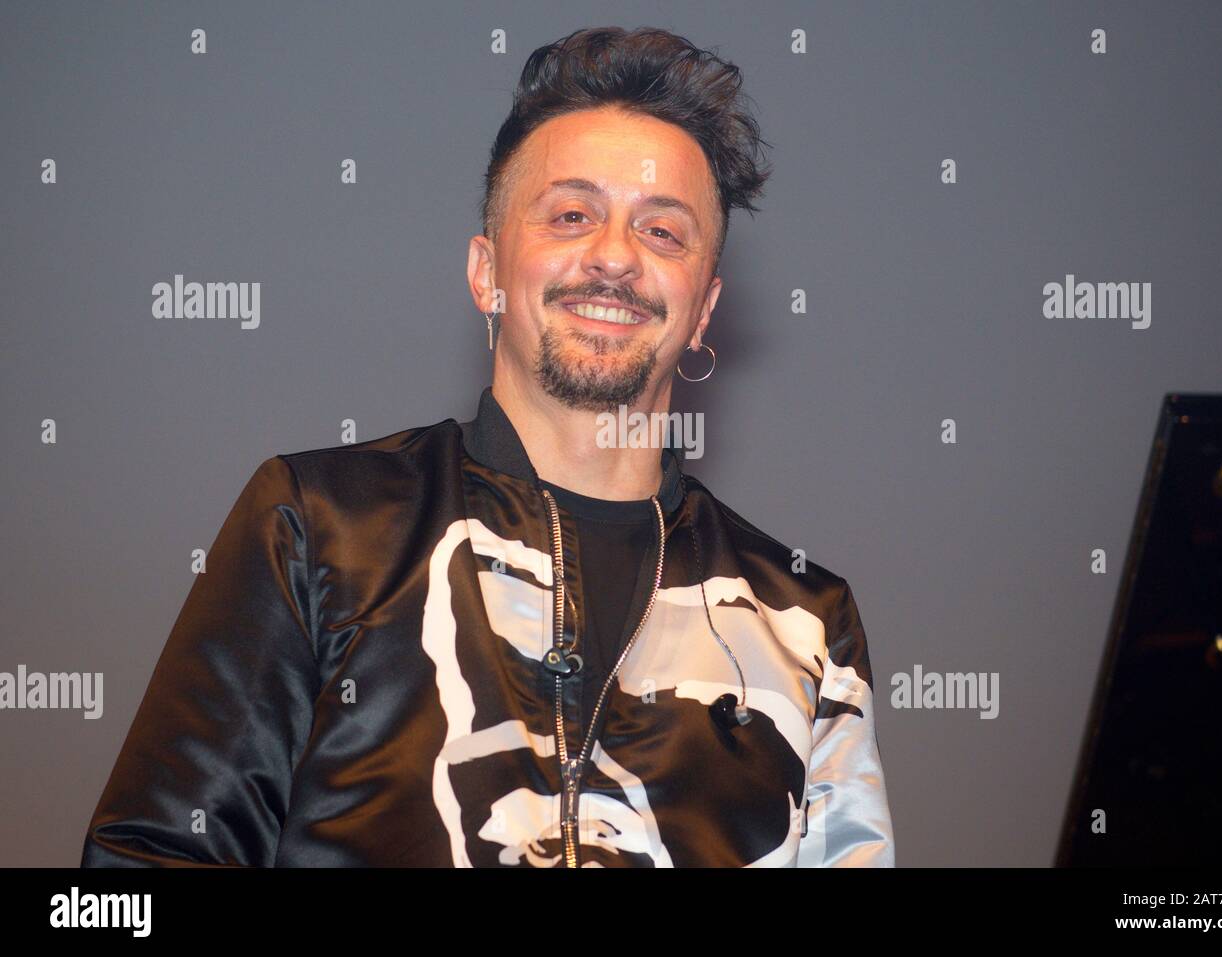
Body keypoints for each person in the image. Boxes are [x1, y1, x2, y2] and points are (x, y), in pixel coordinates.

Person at [81, 25, 894, 868]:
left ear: (704, 308)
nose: (615, 256)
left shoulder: (805, 620)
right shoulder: (320, 523)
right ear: (486, 272)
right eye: (572, 215)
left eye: (663, 232)